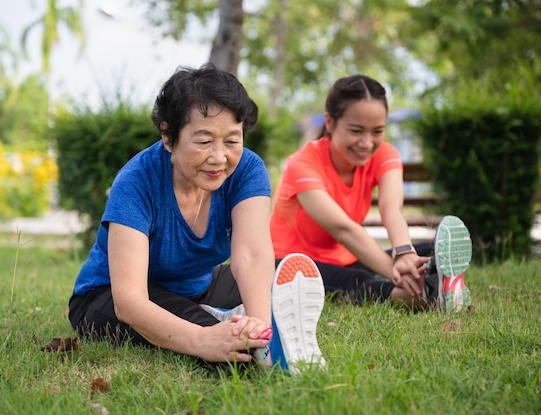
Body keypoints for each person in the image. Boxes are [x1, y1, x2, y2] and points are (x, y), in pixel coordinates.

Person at [68, 63, 325, 372]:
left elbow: (252, 254)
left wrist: (260, 328)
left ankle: (250, 328)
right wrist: (203, 339)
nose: (219, 158)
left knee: (278, 276)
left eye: (232, 141)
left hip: (197, 284)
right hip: (108, 297)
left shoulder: (247, 169)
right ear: (168, 136)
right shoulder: (136, 182)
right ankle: (217, 322)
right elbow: (129, 301)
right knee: (232, 357)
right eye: (204, 142)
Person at [269, 74, 472, 312]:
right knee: (353, 279)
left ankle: (435, 284)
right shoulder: (302, 164)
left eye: (377, 131)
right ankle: (422, 297)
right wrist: (396, 271)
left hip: (346, 257)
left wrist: (404, 253)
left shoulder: (385, 154)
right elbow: (344, 230)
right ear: (330, 123)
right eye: (356, 131)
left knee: (428, 250)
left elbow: (391, 209)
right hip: (287, 263)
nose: (366, 143)